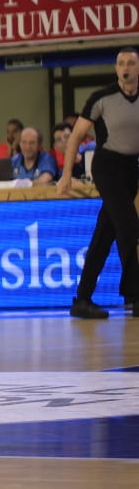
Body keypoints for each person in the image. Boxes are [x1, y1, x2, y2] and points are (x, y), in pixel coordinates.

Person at [61, 48, 139, 320]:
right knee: (130, 225)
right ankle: (135, 295)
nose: (125, 67)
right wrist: (66, 174)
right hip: (107, 166)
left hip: (132, 169)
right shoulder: (102, 98)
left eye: (131, 62)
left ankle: (82, 298)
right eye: (121, 63)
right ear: (116, 68)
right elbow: (75, 137)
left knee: (105, 233)